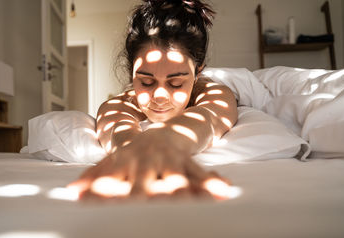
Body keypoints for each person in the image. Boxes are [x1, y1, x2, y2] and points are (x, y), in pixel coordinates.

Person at [68, 0, 238, 199]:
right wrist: (132, 147)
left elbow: (208, 117)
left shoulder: (216, 95)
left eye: (175, 83)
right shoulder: (119, 105)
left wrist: (164, 139)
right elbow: (116, 125)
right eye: (147, 82)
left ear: (197, 73)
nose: (159, 95)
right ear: (132, 73)